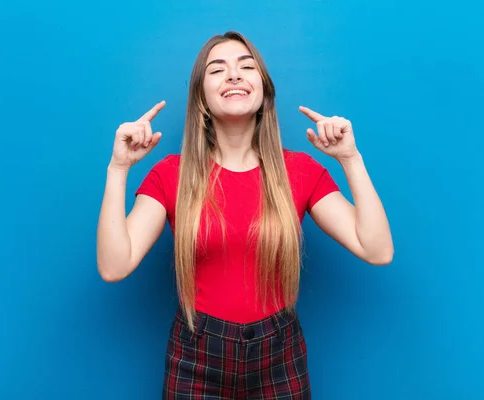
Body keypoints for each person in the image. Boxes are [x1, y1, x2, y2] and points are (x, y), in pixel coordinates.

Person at [96, 31, 393, 399]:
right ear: (201, 98)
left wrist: (351, 159)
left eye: (246, 67)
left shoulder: (299, 171)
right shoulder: (171, 174)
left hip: (279, 355)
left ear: (264, 92)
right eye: (217, 70)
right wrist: (118, 168)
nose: (234, 75)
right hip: (196, 356)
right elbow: (114, 266)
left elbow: (377, 250)